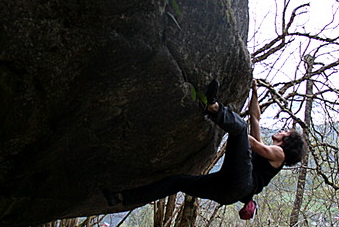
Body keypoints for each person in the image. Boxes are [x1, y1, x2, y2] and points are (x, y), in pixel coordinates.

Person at [104, 79, 306, 219]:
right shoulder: (269, 156)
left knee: (240, 129)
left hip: (241, 183)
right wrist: (254, 92)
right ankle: (122, 198)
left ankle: (213, 108)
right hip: (228, 192)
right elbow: (256, 118)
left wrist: (235, 132)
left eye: (286, 132)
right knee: (178, 181)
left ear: (288, 142)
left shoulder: (279, 153)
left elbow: (252, 142)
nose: (282, 131)